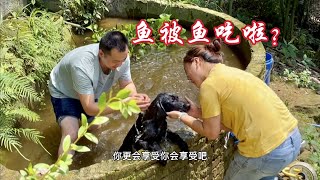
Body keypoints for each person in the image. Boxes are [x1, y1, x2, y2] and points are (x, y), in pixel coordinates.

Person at [167, 39, 301, 180]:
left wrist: (181, 116)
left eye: (189, 76)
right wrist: (198, 113)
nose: (190, 81)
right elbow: (232, 123)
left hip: (266, 153)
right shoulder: (230, 72)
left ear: (196, 61)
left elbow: (211, 133)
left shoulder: (209, 86)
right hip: (293, 140)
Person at [49, 31, 150, 156]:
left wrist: (135, 98)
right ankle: (61, 172)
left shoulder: (122, 58)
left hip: (91, 89)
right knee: (71, 133)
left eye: (123, 59)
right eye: (115, 62)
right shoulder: (82, 66)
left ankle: (91, 153)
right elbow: (90, 108)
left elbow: (127, 84)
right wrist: (122, 104)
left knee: (96, 126)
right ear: (101, 54)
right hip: (64, 91)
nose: (120, 65)